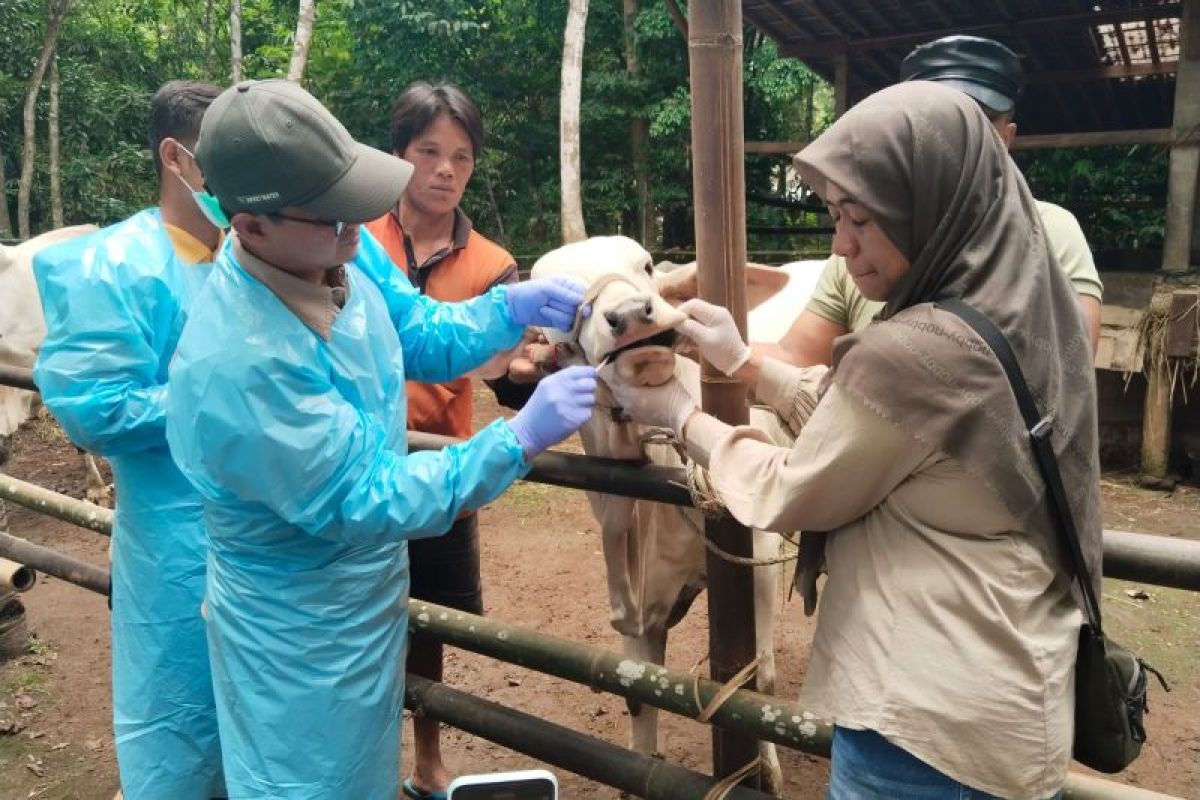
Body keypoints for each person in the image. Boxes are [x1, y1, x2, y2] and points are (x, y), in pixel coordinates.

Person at [609, 82, 1101, 799]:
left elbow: (788, 486)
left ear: (928, 208)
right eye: (836, 217)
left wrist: (680, 413)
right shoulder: (1031, 312)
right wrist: (741, 361)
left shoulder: (914, 353)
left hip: (922, 732)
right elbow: (887, 428)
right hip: (1020, 701)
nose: (841, 247)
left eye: (861, 220)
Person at [163, 79, 596, 798]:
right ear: (251, 225)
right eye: (334, 217)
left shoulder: (336, 251)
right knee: (301, 783)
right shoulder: (236, 364)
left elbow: (414, 325)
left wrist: (503, 309)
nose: (355, 232)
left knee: (363, 774)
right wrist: (515, 439)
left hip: (364, 603)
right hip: (297, 636)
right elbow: (365, 494)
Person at [33, 80, 226, 800]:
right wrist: (226, 398)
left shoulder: (254, 261)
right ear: (175, 156)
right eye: (224, 160)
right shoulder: (115, 266)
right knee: (175, 717)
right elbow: (97, 409)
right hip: (171, 537)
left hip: (261, 536)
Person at [363, 81, 527, 800]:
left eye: (461, 157)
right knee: (358, 611)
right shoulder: (355, 238)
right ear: (398, 154)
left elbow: (508, 381)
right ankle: (366, 753)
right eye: (428, 151)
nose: (445, 170)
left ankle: (427, 756)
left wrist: (528, 373)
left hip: (440, 472)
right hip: (358, 462)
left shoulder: (494, 265)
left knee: (429, 626)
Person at [770, 35, 1104, 367]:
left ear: (1006, 137)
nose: (953, 140)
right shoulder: (859, 240)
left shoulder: (1051, 232)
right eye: (933, 124)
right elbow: (796, 357)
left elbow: (1069, 375)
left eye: (976, 123)